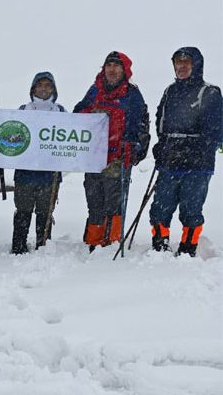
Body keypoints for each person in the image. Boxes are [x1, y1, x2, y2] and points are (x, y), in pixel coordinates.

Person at [148, 47, 222, 256]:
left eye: (186, 62)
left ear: (196, 65)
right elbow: (161, 121)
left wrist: (193, 148)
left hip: (198, 164)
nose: (181, 66)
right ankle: (159, 243)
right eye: (177, 63)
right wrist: (162, 144)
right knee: (161, 206)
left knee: (191, 208)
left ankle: (188, 247)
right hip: (169, 159)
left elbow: (215, 130)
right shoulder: (170, 91)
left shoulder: (209, 92)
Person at [74, 51, 149, 252]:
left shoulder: (132, 95)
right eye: (109, 65)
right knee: (94, 201)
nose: (112, 69)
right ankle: (93, 240)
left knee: (114, 204)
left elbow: (141, 125)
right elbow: (79, 113)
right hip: (93, 157)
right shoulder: (94, 90)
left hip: (117, 158)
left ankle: (112, 241)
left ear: (125, 70)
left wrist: (137, 148)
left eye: (117, 66)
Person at [11, 72, 65, 254]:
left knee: (45, 212)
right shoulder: (23, 110)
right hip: (25, 173)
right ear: (33, 88)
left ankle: (43, 245)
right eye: (40, 85)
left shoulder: (60, 111)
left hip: (49, 175)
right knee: (23, 210)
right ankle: (18, 245)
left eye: (48, 85)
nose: (43, 88)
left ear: (53, 89)